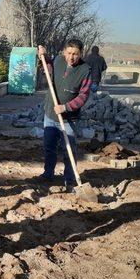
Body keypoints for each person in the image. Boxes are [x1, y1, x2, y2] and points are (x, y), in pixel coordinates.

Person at [36, 39, 91, 190]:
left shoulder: (85, 70)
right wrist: (43, 56)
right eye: (69, 53)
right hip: (50, 113)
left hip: (68, 118)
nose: (71, 57)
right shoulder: (58, 60)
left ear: (81, 54)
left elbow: (83, 96)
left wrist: (66, 107)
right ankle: (48, 174)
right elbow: (48, 70)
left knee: (69, 150)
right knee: (49, 146)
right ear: (64, 52)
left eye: (75, 54)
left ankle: (70, 179)